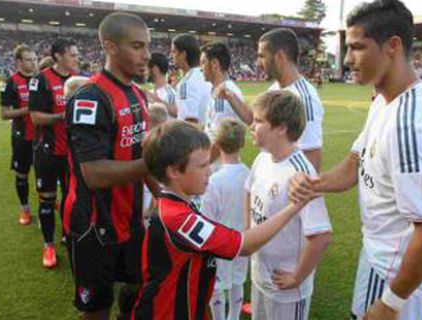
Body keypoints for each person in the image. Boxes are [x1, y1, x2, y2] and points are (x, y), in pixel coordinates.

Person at [289, 1, 422, 319]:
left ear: (392, 46)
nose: (347, 59)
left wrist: (390, 303)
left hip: (396, 274)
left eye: (357, 47)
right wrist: (313, 183)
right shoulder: (383, 101)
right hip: (380, 256)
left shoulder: (413, 124)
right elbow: (355, 163)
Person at [131, 120, 319, 319]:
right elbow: (244, 246)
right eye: (202, 166)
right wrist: (294, 206)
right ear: (174, 171)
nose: (209, 171)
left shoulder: (176, 205)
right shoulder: (178, 219)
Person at [64, 12, 154, 320]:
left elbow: (140, 150)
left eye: (147, 46)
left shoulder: (137, 94)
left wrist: (163, 197)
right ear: (110, 47)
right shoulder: (90, 98)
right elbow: (94, 173)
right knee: (97, 308)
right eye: (138, 46)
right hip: (95, 224)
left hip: (131, 220)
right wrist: (154, 163)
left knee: (137, 288)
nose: (146, 56)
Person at [246, 90, 332, 320]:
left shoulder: (300, 174)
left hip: (285, 288)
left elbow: (321, 235)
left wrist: (297, 277)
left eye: (258, 121)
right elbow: (249, 193)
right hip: (260, 274)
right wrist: (250, 236)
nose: (251, 126)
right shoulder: (262, 158)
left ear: (281, 127)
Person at [216, 28, 323, 171]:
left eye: (262, 56)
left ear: (279, 56)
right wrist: (231, 97)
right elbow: (254, 119)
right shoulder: (275, 88)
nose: (257, 62)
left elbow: (312, 155)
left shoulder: (304, 97)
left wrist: (293, 189)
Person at [29, 38, 79, 268]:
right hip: (48, 152)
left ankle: (69, 237)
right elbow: (36, 117)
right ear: (59, 56)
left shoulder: (80, 81)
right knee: (47, 200)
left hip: (73, 153)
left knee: (72, 200)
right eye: (72, 55)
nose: (76, 59)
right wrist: (62, 117)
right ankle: (48, 246)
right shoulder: (41, 80)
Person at [201, 118, 250, 320]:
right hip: (242, 240)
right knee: (238, 280)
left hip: (219, 243)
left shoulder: (214, 181)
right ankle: (234, 316)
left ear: (217, 144)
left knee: (218, 285)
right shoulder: (250, 173)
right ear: (242, 143)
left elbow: (206, 217)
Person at [0, 44, 37, 225]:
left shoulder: (41, 80)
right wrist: (29, 110)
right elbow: (4, 114)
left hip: (43, 137)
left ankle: (47, 204)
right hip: (22, 137)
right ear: (19, 62)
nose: (34, 63)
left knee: (45, 175)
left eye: (35, 59)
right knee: (22, 175)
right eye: (29, 60)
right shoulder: (10, 82)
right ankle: (25, 209)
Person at [200, 41, 251, 141]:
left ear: (215, 64)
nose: (201, 69)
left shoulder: (223, 94)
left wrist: (207, 156)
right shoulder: (221, 89)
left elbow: (220, 138)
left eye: (203, 63)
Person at [171, 34, 212, 124]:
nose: (171, 56)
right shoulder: (205, 76)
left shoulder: (186, 83)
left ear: (183, 55)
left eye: (174, 52)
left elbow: (189, 120)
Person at [147, 52, 177, 118]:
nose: (146, 71)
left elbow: (177, 113)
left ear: (155, 69)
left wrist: (157, 101)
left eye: (148, 67)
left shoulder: (170, 93)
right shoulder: (150, 92)